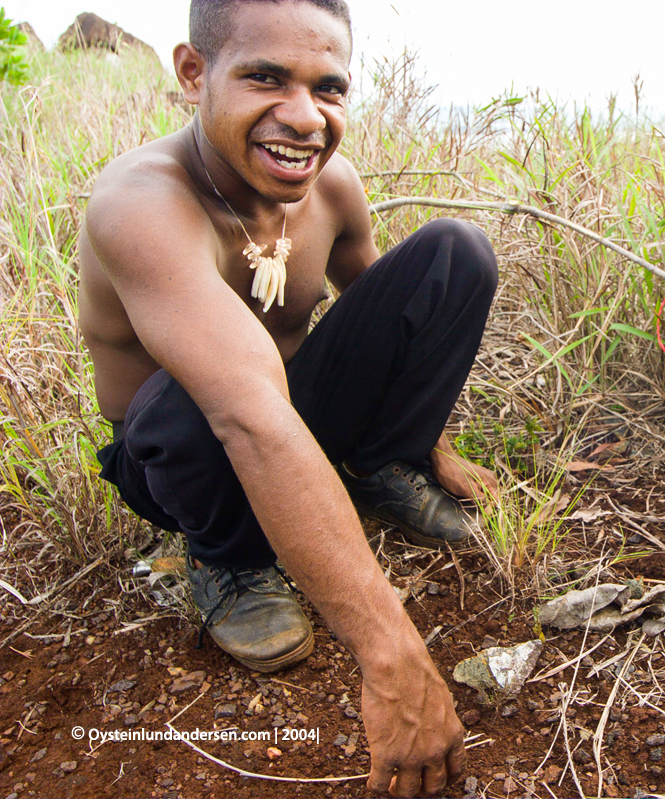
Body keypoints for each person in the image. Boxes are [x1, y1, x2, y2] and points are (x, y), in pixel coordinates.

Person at [76, 0, 497, 794]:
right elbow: (245, 409)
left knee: (455, 252)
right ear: (195, 73)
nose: (304, 117)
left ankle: (375, 467)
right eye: (266, 77)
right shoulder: (142, 204)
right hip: (184, 447)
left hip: (284, 411)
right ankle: (229, 560)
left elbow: (391, 311)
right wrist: (392, 657)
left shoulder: (331, 188)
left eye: (328, 87)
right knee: (186, 397)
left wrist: (428, 438)